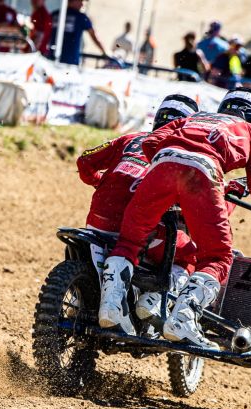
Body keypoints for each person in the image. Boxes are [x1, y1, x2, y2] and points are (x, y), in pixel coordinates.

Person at [98, 88, 251, 350]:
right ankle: (183, 318)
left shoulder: (194, 118)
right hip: (203, 171)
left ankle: (111, 306)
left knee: (129, 242)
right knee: (217, 257)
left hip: (162, 165)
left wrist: (169, 173)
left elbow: (151, 141)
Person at [77, 94, 200, 325]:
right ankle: (153, 300)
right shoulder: (182, 155)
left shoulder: (130, 138)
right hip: (137, 229)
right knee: (190, 254)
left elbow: (84, 162)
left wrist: (101, 182)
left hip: (97, 221)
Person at [48, 0, 107, 65]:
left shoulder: (54, 14)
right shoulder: (81, 17)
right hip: (70, 62)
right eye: (80, 1)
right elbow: (94, 36)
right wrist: (104, 52)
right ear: (71, 1)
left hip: (51, 60)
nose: (82, 4)